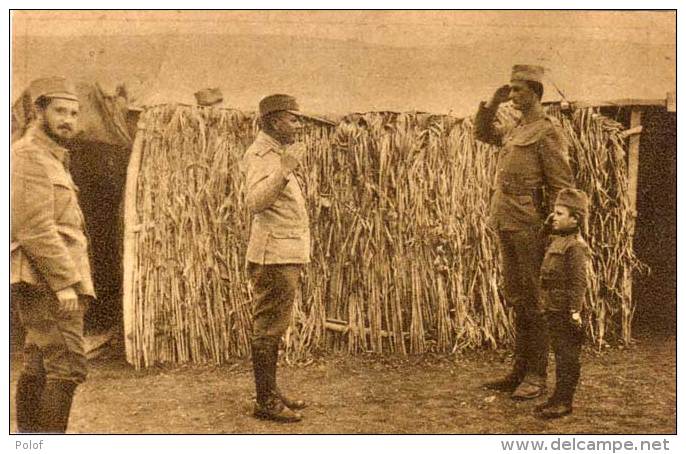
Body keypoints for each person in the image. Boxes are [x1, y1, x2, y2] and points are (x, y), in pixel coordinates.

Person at [475, 65, 575, 399]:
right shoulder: (518, 129)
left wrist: (558, 231)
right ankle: (519, 371)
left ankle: (536, 375)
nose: (512, 95)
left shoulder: (546, 131)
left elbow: (563, 186)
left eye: (517, 89)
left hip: (530, 226)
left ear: (534, 92)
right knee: (518, 299)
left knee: (536, 301)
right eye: (510, 89)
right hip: (506, 221)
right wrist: (493, 100)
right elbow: (483, 133)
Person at [11, 77, 95, 433]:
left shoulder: (51, 157)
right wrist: (65, 284)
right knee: (68, 365)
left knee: (40, 361)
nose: (68, 120)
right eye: (60, 110)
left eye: (74, 113)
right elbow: (35, 229)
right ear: (38, 111)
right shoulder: (28, 156)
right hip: (45, 279)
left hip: (45, 277)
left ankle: (30, 440)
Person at [241, 94, 312, 423]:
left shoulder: (277, 153)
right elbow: (255, 202)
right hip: (273, 255)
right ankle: (265, 400)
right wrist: (283, 172)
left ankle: (270, 391)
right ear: (273, 122)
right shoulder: (261, 155)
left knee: (275, 325)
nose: (298, 124)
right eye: (293, 119)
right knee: (268, 328)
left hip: (284, 252)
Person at [535, 189, 590, 419]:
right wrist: (549, 225)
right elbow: (540, 240)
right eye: (553, 213)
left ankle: (564, 402)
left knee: (567, 357)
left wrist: (575, 312)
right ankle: (557, 397)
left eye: (559, 213)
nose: (554, 217)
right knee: (559, 354)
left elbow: (579, 283)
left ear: (575, 219)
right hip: (553, 308)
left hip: (565, 311)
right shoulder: (559, 239)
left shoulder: (575, 246)